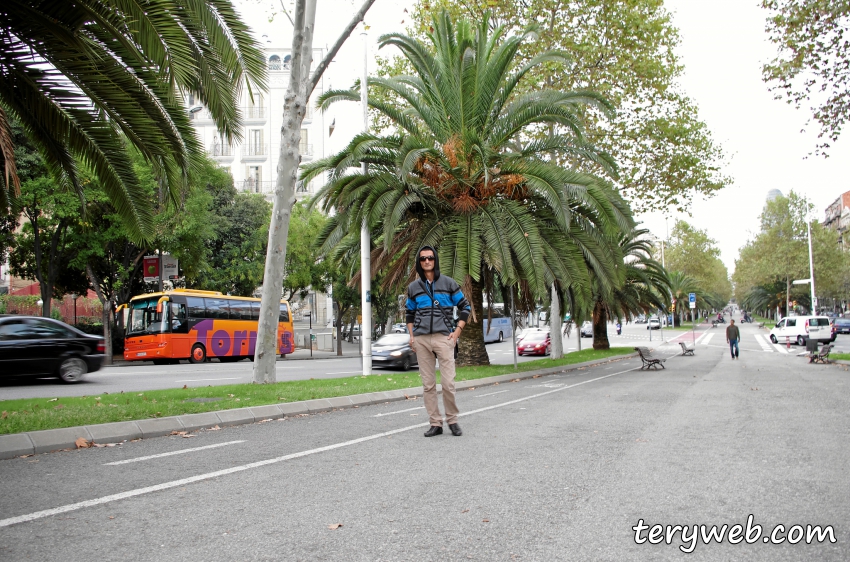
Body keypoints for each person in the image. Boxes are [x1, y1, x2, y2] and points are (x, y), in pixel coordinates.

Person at [407, 246, 471, 437]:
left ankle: (452, 420)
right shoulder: (413, 287)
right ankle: (435, 423)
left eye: (430, 258)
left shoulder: (449, 283)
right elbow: (409, 313)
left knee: (448, 383)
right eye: (423, 259)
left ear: (435, 260)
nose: (427, 261)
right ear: (419, 263)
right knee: (428, 385)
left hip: (444, 337)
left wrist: (457, 332)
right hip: (422, 339)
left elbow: (465, 307)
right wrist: (412, 336)